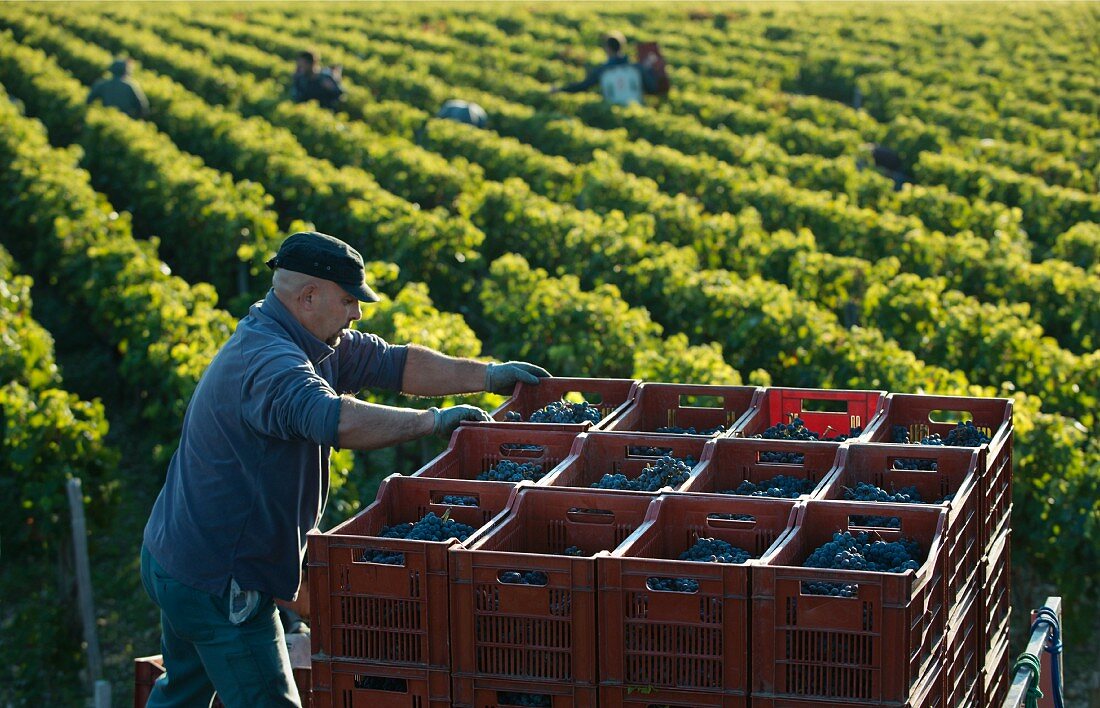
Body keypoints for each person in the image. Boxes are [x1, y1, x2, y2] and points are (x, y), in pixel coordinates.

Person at [140, 231, 550, 707]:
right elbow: (333, 419)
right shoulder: (270, 361)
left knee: (183, 692)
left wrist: (487, 376)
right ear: (308, 296)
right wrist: (432, 422)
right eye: (349, 300)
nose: (356, 312)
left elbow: (393, 364)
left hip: (176, 555)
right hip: (222, 578)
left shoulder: (308, 337)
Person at [551, 31, 655, 106]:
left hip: (613, 114)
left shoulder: (603, 70)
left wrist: (561, 89)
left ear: (607, 49)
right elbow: (652, 88)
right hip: (636, 109)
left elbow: (583, 86)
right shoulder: (636, 68)